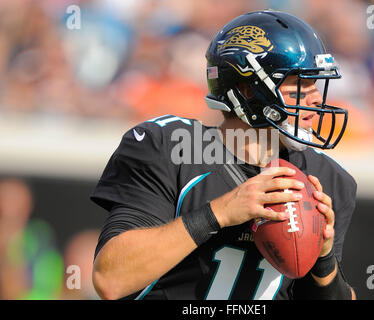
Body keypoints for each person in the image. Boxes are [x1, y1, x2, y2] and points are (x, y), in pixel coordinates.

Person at [91, 10, 357, 300]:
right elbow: (110, 279)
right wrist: (219, 213)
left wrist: (324, 258)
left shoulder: (326, 179)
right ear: (247, 89)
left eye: (314, 84)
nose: (316, 97)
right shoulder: (171, 148)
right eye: (298, 83)